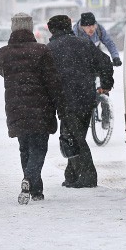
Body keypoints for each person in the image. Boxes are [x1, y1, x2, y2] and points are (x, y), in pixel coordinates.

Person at [0, 12, 62, 205]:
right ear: (30, 28)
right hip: (40, 107)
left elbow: (3, 72)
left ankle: (36, 189)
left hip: (16, 107)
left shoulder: (4, 53)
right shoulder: (41, 51)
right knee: (39, 148)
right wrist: (59, 103)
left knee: (24, 148)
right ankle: (30, 179)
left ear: (13, 28)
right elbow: (52, 81)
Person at [47, 15, 114, 188]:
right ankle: (71, 175)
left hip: (66, 99)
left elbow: (45, 78)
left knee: (74, 138)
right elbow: (105, 61)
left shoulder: (50, 49)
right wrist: (106, 84)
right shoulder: (84, 44)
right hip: (86, 97)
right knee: (75, 136)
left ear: (50, 28)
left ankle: (88, 177)